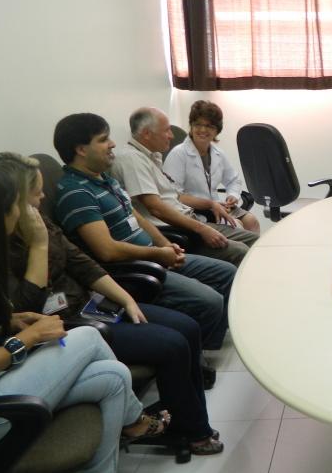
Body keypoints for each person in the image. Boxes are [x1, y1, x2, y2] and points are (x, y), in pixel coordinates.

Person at [0, 163, 164, 473]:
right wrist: (28, 339)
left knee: (114, 376)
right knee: (85, 335)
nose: (22, 212)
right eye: (15, 205)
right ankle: (135, 421)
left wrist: (14, 320)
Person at [0, 153, 222, 455]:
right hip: (63, 327)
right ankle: (191, 431)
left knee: (188, 327)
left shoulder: (39, 222)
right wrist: (38, 247)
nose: (44, 196)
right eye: (36, 192)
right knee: (172, 345)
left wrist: (125, 299)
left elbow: (82, 264)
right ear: (15, 200)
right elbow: (26, 305)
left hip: (90, 306)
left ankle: (188, 420)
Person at [51, 112, 236, 351]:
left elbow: (134, 215)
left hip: (154, 254)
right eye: (103, 139)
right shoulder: (75, 193)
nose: (112, 144)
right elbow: (106, 251)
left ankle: (207, 343)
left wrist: (163, 245)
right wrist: (157, 255)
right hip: (134, 268)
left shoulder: (103, 178)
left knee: (227, 273)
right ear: (81, 150)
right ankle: (200, 354)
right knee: (209, 300)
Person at [110, 107, 258, 266]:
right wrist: (202, 229)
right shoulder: (132, 160)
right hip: (178, 231)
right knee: (242, 250)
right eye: (166, 130)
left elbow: (174, 196)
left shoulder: (152, 157)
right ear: (146, 133)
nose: (172, 135)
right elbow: (156, 208)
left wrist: (212, 204)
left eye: (209, 126)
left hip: (193, 218)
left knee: (257, 242)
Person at [163, 100, 260, 233]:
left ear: (217, 130)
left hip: (216, 206)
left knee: (251, 221)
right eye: (198, 124)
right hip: (193, 211)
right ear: (191, 126)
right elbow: (174, 196)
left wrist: (232, 196)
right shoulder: (178, 154)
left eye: (209, 126)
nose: (203, 130)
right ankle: (241, 253)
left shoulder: (218, 153)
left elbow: (233, 180)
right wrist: (210, 205)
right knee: (237, 226)